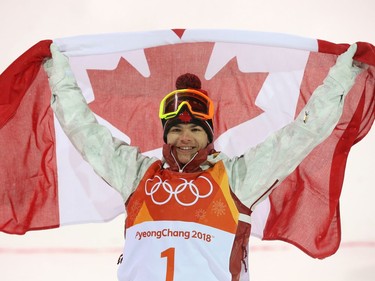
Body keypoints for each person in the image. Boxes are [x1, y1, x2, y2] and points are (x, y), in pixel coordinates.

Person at [44, 43, 362, 281]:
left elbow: (300, 136)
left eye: (195, 129)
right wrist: (60, 80)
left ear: (208, 135)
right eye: (177, 130)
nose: (185, 138)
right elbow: (86, 134)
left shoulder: (237, 178)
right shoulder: (137, 175)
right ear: (165, 135)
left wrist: (338, 82)